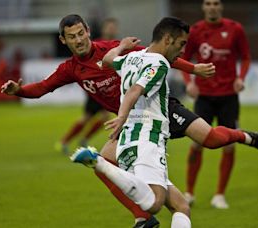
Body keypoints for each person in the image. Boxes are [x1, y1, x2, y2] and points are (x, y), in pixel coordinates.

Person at [1, 14, 258, 227]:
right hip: (130, 124)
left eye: (81, 33)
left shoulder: (113, 50)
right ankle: (142, 217)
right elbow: (43, 87)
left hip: (158, 109)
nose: (79, 40)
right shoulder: (70, 69)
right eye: (72, 37)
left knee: (210, 139)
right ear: (63, 41)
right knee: (105, 163)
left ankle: (244, 136)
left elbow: (158, 53)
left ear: (88, 31)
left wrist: (193, 69)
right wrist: (19, 91)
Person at [72, 17, 194, 227]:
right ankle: (100, 163)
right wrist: (120, 116)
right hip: (148, 139)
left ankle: (103, 164)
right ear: (167, 39)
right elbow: (135, 90)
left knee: (181, 206)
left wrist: (121, 46)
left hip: (129, 140)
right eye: (181, 44)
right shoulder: (159, 63)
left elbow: (109, 60)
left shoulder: (133, 57)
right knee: (154, 204)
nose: (183, 50)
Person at [181, 0, 257, 209]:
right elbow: (185, 59)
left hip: (228, 96)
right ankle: (189, 192)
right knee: (197, 143)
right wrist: (189, 83)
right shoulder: (195, 31)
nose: (212, 6)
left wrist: (241, 77)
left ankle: (220, 194)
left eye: (215, 3)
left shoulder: (235, 29)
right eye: (208, 3)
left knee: (230, 145)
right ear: (203, 7)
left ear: (221, 6)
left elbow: (246, 57)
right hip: (204, 97)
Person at [56, 18, 118, 154]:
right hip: (96, 88)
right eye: (109, 27)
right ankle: (64, 142)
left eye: (113, 27)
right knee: (88, 118)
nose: (111, 30)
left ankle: (82, 140)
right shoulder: (95, 43)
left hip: (107, 88)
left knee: (103, 117)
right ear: (104, 29)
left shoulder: (114, 45)